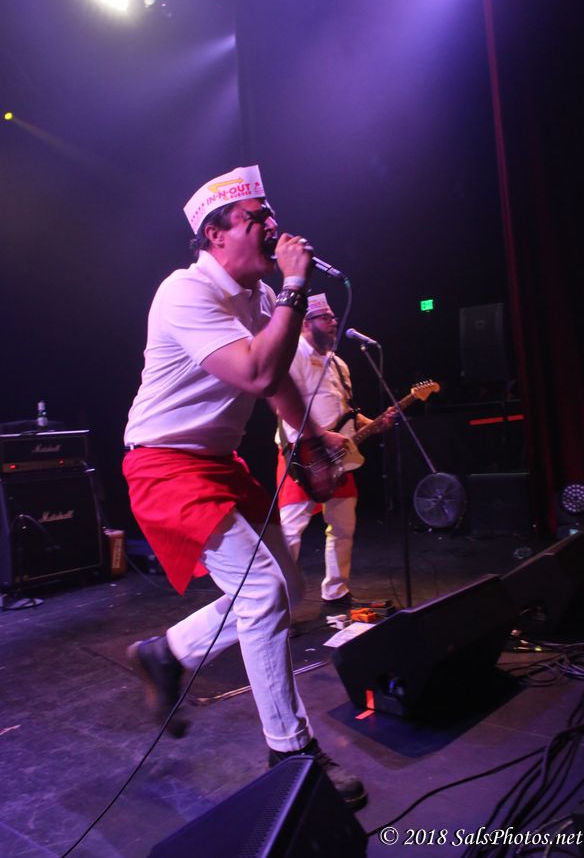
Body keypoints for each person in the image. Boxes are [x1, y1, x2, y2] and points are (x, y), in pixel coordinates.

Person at [122, 166, 365, 808]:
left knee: (286, 589)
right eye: (256, 219)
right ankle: (290, 754)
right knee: (260, 591)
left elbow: (279, 379)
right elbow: (257, 373)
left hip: (217, 461)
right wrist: (294, 287)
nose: (273, 227)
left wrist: (310, 440)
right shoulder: (184, 291)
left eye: (269, 214)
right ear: (215, 234)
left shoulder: (259, 298)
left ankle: (167, 652)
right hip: (165, 463)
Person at [276, 294, 395, 609]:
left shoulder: (339, 364)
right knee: (290, 532)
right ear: (306, 322)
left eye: (333, 318)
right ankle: (276, 604)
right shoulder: (293, 355)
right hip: (303, 455)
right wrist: (319, 436)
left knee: (343, 526)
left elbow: (347, 412)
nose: (334, 323)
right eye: (326, 318)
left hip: (339, 457)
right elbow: (283, 404)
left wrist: (374, 423)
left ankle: (336, 590)